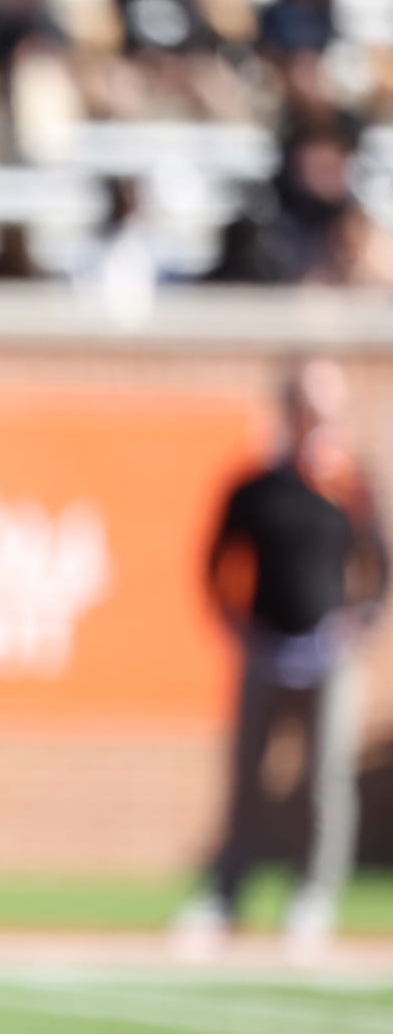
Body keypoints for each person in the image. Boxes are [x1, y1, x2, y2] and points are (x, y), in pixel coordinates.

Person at [178, 356, 387, 956]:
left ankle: (313, 896)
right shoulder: (255, 486)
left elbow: (378, 563)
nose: (320, 417)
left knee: (325, 777)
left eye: (329, 407)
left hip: (330, 651)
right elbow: (215, 561)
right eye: (309, 405)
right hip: (267, 648)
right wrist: (235, 625)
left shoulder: (350, 485)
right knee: (248, 775)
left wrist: (360, 623)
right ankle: (225, 896)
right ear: (289, 409)